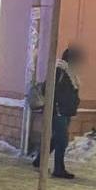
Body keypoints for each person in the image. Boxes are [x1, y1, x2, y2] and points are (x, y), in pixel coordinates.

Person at [33, 46, 82, 178]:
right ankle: (59, 169)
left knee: (57, 139)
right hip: (58, 111)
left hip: (65, 111)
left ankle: (39, 160)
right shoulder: (60, 71)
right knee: (62, 140)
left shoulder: (70, 72)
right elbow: (51, 90)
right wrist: (58, 106)